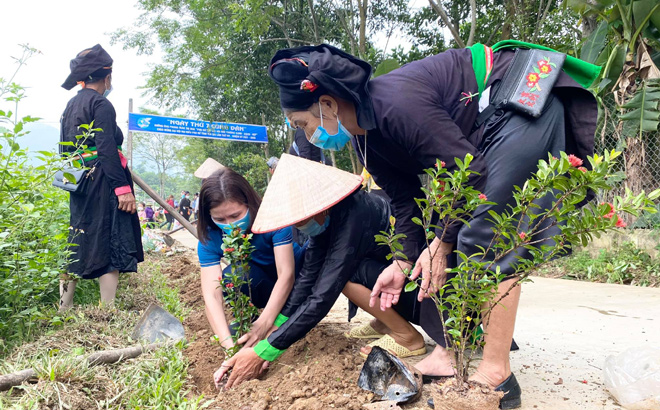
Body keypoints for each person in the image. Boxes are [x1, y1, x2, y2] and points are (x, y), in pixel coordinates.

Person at [268, 43, 599, 408]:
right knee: (446, 237)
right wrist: (403, 261)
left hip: (516, 97)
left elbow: (468, 171)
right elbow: (404, 201)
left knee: (484, 236)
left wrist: (441, 243)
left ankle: (496, 371)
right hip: (481, 135)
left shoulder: (394, 105)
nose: (309, 135)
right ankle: (446, 352)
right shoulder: (366, 143)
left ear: (328, 104)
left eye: (303, 124)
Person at [215, 154, 426, 388]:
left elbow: (323, 296)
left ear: (316, 204)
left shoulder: (354, 214)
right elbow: (307, 279)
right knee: (336, 274)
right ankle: (385, 321)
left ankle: (408, 337)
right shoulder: (326, 219)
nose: (298, 225)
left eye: (299, 219)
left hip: (420, 292)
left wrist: (264, 352)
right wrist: (276, 327)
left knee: (346, 278)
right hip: (394, 285)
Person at [196, 168, 306, 382]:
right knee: (232, 278)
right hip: (260, 282)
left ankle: (284, 317)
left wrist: (265, 324)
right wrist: (228, 346)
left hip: (297, 280)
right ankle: (251, 328)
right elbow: (212, 295)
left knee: (269, 313)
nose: (230, 225)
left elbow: (287, 274)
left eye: (236, 216)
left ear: (249, 203)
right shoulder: (210, 237)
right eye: (220, 218)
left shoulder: (271, 218)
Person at [58, 44, 143, 309]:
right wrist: (122, 190)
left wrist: (76, 180)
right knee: (109, 239)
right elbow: (107, 149)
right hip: (103, 182)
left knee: (78, 235)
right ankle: (107, 309)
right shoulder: (101, 104)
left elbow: (64, 151)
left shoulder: (70, 105)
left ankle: (64, 307)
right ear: (106, 77)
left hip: (78, 181)